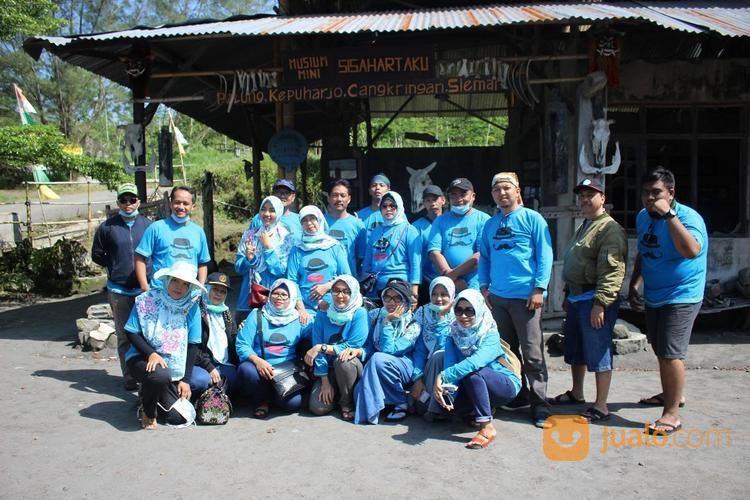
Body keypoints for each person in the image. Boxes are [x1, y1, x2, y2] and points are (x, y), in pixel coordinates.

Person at [627, 167, 707, 435]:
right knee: (660, 348)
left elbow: (691, 250)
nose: (650, 198)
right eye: (645, 193)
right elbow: (644, 250)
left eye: (656, 193)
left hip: (682, 294)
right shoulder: (642, 217)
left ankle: (671, 414)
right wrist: (635, 282)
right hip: (655, 294)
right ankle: (673, 394)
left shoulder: (687, 218)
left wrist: (669, 215)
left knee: (671, 352)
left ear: (671, 194)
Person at [478, 171, 553, 428]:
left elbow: (545, 255)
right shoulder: (490, 224)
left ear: (517, 190)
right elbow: (485, 257)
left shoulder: (533, 220)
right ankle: (516, 394)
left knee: (532, 353)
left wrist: (539, 288)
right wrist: (484, 287)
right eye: (497, 190)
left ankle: (540, 403)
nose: (502, 193)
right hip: (498, 298)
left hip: (526, 298)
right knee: (506, 351)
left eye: (507, 188)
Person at [551, 179, 627, 423]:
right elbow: (577, 261)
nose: (585, 199)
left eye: (590, 195)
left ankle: (601, 404)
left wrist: (601, 303)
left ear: (602, 198)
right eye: (582, 195)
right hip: (576, 297)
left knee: (598, 350)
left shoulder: (609, 229)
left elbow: (613, 270)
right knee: (576, 349)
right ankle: (577, 392)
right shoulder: (586, 225)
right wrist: (566, 293)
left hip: (593, 298)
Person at [434, 289, 522, 449]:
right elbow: (450, 365)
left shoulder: (490, 334)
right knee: (449, 409)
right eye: (459, 310)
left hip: (504, 386)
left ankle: (486, 427)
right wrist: (447, 392)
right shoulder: (454, 334)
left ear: (479, 310)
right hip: (473, 384)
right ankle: (484, 408)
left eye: (470, 310)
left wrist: (443, 376)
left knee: (473, 373)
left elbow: (475, 363)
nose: (463, 316)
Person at [123, 261, 204, 430]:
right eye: (175, 280)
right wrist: (151, 353)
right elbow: (131, 332)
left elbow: (193, 345)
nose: (179, 287)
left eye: (185, 284)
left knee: (177, 418)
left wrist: (185, 380)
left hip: (174, 362)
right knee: (159, 376)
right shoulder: (147, 301)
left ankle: (147, 395)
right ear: (167, 280)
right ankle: (148, 413)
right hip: (142, 355)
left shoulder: (192, 308)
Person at [91, 182, 152, 390]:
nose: (128, 203)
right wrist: (114, 265)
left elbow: (157, 252)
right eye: (124, 200)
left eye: (132, 199)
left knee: (147, 334)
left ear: (138, 202)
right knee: (124, 334)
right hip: (118, 290)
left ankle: (148, 372)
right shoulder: (108, 227)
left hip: (144, 289)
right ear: (118, 202)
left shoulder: (148, 226)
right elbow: (97, 254)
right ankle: (129, 375)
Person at [235, 279, 309, 418]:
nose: (279, 298)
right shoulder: (257, 315)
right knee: (246, 370)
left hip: (286, 371)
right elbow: (242, 344)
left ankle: (272, 396)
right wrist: (258, 361)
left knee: (293, 404)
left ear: (291, 298)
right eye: (275, 293)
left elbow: (318, 330)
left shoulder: (300, 319)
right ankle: (262, 400)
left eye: (284, 295)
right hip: (259, 368)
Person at [354, 279, 422, 424]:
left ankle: (400, 401)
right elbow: (369, 346)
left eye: (397, 298)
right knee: (358, 392)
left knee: (379, 359)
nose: (391, 302)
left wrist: (387, 322)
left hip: (403, 365)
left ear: (405, 300)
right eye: (387, 297)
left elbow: (389, 350)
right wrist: (360, 352)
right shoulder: (375, 315)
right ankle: (385, 404)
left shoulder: (413, 323)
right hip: (376, 363)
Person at [305, 275, 368, 420]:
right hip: (329, 370)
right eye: (336, 291)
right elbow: (317, 349)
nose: (340, 296)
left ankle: (347, 402)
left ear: (353, 293)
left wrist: (322, 347)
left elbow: (353, 345)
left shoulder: (360, 313)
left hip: (351, 367)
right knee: (318, 407)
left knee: (343, 359)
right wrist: (325, 381)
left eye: (346, 292)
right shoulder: (322, 314)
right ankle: (336, 392)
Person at [134, 186, 210, 291]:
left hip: (188, 294)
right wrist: (144, 286)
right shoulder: (156, 228)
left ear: (193, 206)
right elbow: (140, 257)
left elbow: (202, 263)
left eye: (186, 203)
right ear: (170, 203)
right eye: (177, 202)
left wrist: (200, 288)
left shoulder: (199, 232)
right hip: (160, 291)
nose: (181, 207)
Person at [234, 196, 295, 324]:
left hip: (275, 297)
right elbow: (238, 268)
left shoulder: (286, 237)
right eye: (263, 209)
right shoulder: (249, 235)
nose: (267, 214)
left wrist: (268, 248)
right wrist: (248, 259)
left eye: (272, 210)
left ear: (279, 212)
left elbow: (281, 270)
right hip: (249, 297)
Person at [428, 178, 490, 291]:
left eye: (463, 194)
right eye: (453, 195)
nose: (459, 199)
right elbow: (434, 252)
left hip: (475, 283)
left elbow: (481, 255)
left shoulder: (484, 220)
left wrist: (453, 275)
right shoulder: (440, 221)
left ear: (473, 196)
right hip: (447, 284)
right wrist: (451, 278)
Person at [361, 191, 422, 302]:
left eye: (392, 206)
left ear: (399, 207)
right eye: (384, 206)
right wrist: (364, 283)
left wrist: (414, 287)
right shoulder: (376, 231)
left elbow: (415, 262)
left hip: (400, 286)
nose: (388, 209)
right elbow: (367, 261)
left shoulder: (409, 230)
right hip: (375, 288)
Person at [287, 205, 350, 311]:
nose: (309, 223)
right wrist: (301, 309)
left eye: (312, 218)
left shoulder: (334, 246)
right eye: (304, 220)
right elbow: (292, 281)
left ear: (320, 220)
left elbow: (347, 276)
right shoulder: (297, 249)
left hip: (334, 304)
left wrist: (327, 286)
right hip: (306, 307)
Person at [409, 276, 455, 418]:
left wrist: (441, 319)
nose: (439, 299)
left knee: (439, 356)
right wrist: (417, 378)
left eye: (444, 294)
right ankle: (433, 407)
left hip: (451, 366)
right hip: (430, 368)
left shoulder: (459, 313)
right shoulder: (424, 313)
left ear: (452, 295)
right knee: (435, 357)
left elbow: (445, 349)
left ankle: (435, 408)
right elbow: (420, 350)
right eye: (434, 294)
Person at [191, 272, 238, 396]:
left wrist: (241, 333)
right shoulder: (195, 311)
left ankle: (214, 398)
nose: (219, 294)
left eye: (223, 291)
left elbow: (232, 341)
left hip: (222, 362)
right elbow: (191, 347)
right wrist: (209, 367)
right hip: (199, 362)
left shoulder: (226, 313)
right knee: (200, 381)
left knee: (239, 378)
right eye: (215, 289)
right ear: (206, 289)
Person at [412, 185, 445, 305]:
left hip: (451, 278)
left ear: (443, 200)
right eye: (428, 200)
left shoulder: (451, 222)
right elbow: (415, 258)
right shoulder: (416, 227)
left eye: (435, 199)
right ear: (423, 203)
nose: (432, 203)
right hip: (426, 282)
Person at [324, 179, 366, 276]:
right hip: (324, 281)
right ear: (328, 198)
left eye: (343, 195)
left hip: (349, 280)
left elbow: (360, 257)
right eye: (335, 195)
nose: (339, 199)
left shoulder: (358, 225)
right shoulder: (319, 222)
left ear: (349, 199)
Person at [358, 174, 390, 240]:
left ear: (388, 190)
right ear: (369, 191)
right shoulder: (359, 215)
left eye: (382, 185)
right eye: (374, 185)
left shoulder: (396, 214)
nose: (377, 188)